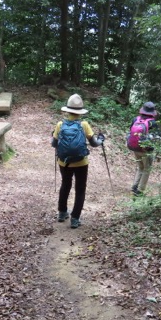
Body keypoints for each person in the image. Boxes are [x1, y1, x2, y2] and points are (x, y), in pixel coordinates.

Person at [51, 94, 105, 229]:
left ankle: (62, 213)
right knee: (80, 189)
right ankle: (75, 218)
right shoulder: (84, 125)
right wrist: (101, 139)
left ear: (67, 110)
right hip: (81, 163)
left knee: (65, 185)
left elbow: (53, 144)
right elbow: (94, 144)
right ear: (80, 112)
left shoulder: (60, 124)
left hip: (64, 162)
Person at [127, 101, 160, 197]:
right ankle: (140, 190)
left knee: (140, 167)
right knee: (147, 169)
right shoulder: (152, 123)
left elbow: (130, 132)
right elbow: (156, 136)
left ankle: (134, 186)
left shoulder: (135, 119)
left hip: (134, 147)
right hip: (146, 150)